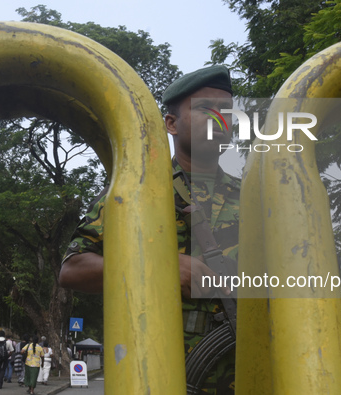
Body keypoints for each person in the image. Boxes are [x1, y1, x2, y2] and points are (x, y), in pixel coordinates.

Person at [59, 65, 238, 394]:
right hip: (155, 378)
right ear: (171, 123)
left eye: (227, 111)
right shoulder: (133, 192)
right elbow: (73, 269)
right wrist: (163, 270)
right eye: (204, 109)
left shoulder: (256, 198)